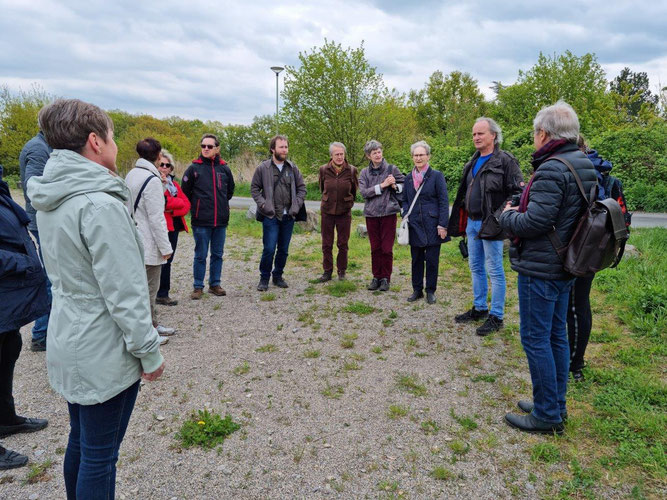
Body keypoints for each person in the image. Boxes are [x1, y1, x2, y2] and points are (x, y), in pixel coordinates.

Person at [27, 98, 165, 498]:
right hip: (102, 347)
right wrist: (149, 351)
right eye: (113, 136)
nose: (116, 145)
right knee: (101, 454)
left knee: (83, 443)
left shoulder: (55, 195)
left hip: (70, 333)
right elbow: (126, 292)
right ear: (95, 141)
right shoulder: (99, 203)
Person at [499, 101, 597, 434]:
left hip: (542, 267)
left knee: (536, 338)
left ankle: (547, 415)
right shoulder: (581, 161)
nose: (534, 138)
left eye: (534, 133)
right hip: (565, 264)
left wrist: (507, 215)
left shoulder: (552, 167)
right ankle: (554, 404)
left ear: (544, 133)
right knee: (556, 336)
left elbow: (534, 221)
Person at [449, 117, 524, 336]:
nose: (476, 137)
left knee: (495, 271)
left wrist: (499, 217)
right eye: (473, 134)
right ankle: (480, 308)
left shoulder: (506, 161)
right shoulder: (472, 162)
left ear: (493, 135)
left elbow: (518, 193)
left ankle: (497, 316)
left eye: (480, 133)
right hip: (472, 223)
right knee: (475, 267)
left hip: (491, 225)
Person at [566, 136, 631, 382]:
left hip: (577, 247)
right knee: (580, 304)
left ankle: (574, 364)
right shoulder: (602, 172)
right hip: (596, 248)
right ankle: (575, 359)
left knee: (573, 307)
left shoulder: (579, 172)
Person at [0, 165, 50, 470]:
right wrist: (22, 261)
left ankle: (6, 419)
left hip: (8, 300)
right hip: (8, 281)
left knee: (7, 352)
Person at [125, 138, 175, 342]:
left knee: (142, 288)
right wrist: (166, 246)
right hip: (147, 241)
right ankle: (147, 333)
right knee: (148, 289)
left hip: (133, 236)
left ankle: (153, 324)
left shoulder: (132, 174)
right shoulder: (151, 179)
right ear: (157, 155)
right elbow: (156, 217)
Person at [181, 134, 235, 300]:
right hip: (201, 221)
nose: (206, 149)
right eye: (203, 146)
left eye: (209, 146)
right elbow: (185, 192)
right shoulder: (193, 169)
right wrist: (197, 208)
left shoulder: (224, 169)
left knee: (217, 254)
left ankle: (215, 284)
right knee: (200, 255)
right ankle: (198, 287)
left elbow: (230, 191)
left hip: (220, 221)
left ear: (216, 148)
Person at [251, 135, 307, 291]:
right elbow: (254, 189)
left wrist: (295, 206)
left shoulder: (292, 168)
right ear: (272, 149)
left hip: (288, 216)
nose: (284, 150)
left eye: (286, 147)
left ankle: (278, 276)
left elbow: (302, 188)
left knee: (283, 249)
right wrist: (263, 205)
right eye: (281, 147)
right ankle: (264, 278)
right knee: (269, 249)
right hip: (271, 215)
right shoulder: (263, 168)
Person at [400, 141, 449, 304]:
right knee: (416, 259)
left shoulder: (436, 176)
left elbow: (443, 201)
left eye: (422, 155)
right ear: (412, 157)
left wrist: (443, 224)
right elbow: (405, 200)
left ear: (428, 156)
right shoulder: (407, 178)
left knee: (433, 259)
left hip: (433, 224)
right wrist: (405, 213)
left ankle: (430, 291)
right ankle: (417, 290)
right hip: (414, 224)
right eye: (416, 155)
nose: (419, 158)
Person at [18, 131, 53, 351]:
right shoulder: (39, 148)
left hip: (42, 220)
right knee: (50, 278)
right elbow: (35, 189)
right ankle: (41, 333)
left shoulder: (43, 145)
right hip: (42, 221)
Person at [358, 140, 405, 291]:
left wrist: (394, 185)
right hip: (371, 215)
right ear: (368, 156)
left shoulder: (392, 168)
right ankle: (376, 277)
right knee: (375, 248)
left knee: (386, 248)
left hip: (388, 213)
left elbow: (404, 186)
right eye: (374, 153)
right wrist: (383, 185)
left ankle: (385, 278)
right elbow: (364, 193)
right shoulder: (364, 173)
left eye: (379, 151)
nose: (378, 155)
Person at [316, 142, 358, 282]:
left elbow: (354, 191)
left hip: (344, 212)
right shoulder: (323, 170)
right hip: (327, 212)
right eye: (336, 154)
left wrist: (348, 203)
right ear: (331, 155)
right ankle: (327, 271)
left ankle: (342, 271)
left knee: (343, 243)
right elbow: (322, 188)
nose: (339, 157)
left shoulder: (351, 170)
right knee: (326, 243)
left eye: (341, 154)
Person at [156, 150, 190, 306]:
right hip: (162, 226)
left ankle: (163, 293)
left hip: (174, 226)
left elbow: (186, 204)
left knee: (168, 261)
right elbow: (161, 203)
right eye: (161, 164)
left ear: (171, 168)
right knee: (157, 261)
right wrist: (171, 205)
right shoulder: (154, 182)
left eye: (167, 165)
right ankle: (156, 293)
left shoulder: (174, 185)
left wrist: (171, 207)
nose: (163, 167)